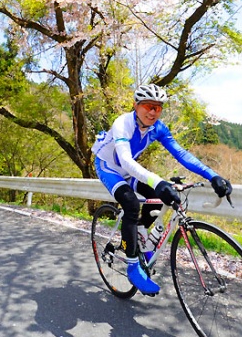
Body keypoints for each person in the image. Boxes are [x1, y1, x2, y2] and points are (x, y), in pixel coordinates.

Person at [92, 83, 232, 295]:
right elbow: (125, 160)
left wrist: (212, 175)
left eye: (158, 108)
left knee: (158, 198)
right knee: (130, 204)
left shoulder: (158, 128)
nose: (153, 112)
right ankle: (132, 266)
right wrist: (158, 181)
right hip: (109, 167)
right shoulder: (123, 123)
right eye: (148, 106)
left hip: (130, 169)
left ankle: (140, 236)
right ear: (135, 105)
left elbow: (181, 154)